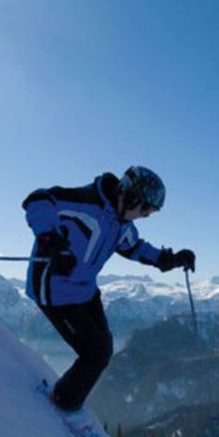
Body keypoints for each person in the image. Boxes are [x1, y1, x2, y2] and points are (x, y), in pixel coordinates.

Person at [23, 166, 195, 412]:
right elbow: (38, 200)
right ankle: (62, 404)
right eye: (145, 209)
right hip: (54, 290)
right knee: (95, 353)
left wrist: (172, 259)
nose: (144, 216)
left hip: (84, 290)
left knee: (104, 347)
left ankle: (67, 398)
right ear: (131, 196)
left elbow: (135, 248)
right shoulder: (85, 203)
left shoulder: (120, 223)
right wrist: (50, 239)